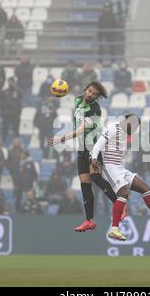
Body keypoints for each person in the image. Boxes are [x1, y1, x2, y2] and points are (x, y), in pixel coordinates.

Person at [91, 114, 150, 241]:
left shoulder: (125, 134)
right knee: (123, 193)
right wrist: (94, 158)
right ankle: (114, 228)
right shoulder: (113, 128)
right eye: (134, 126)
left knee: (145, 188)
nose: (135, 129)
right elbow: (98, 144)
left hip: (120, 168)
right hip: (110, 168)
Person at [49, 82, 120, 232]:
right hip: (81, 149)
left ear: (97, 97)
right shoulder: (78, 100)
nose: (90, 94)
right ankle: (89, 220)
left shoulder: (95, 109)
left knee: (96, 178)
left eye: (94, 94)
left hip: (93, 147)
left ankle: (120, 203)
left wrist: (61, 138)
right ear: (85, 89)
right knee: (85, 185)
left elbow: (80, 130)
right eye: (89, 91)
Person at [0, 77, 22, 142]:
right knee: (5, 128)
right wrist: (3, 110)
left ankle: (18, 142)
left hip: (15, 114)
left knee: (16, 129)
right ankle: (3, 141)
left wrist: (15, 87)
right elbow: (1, 101)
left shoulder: (17, 91)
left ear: (14, 82)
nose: (10, 83)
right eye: (9, 82)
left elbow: (21, 95)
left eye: (12, 82)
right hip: (6, 113)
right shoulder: (5, 91)